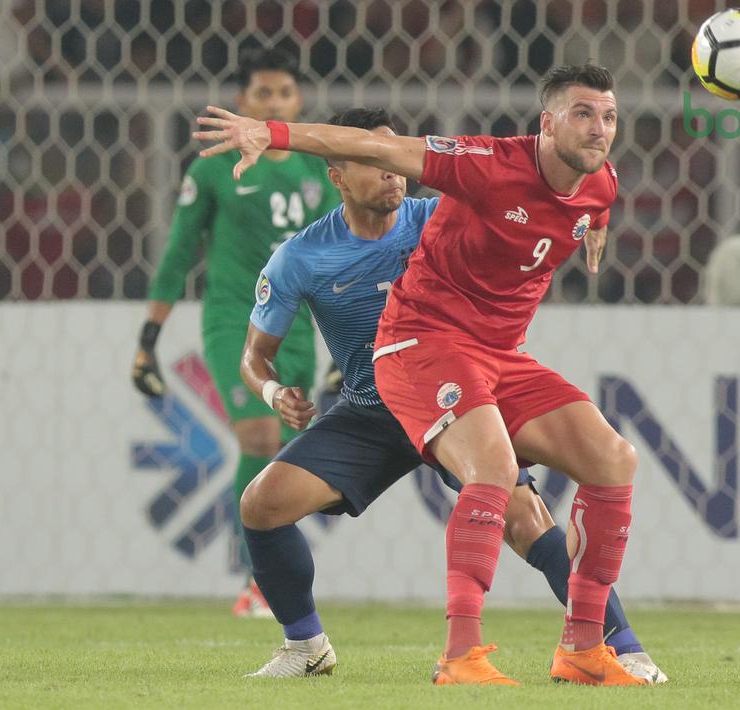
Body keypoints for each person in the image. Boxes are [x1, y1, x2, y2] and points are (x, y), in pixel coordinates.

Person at [195, 63, 648, 686]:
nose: (392, 174)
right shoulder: (301, 254)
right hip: (376, 402)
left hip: (467, 382)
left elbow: (567, 200)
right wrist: (273, 391)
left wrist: (591, 226)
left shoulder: (435, 213)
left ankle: (615, 641)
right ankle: (305, 645)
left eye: (608, 116)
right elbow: (255, 354)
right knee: (261, 505)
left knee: (532, 519)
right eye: (375, 163)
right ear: (338, 176)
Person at [133, 47, 339, 617]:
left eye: (284, 94)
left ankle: (269, 577)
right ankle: (261, 584)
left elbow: (346, 249)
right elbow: (176, 258)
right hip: (234, 320)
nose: (274, 103)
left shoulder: (316, 169)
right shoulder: (211, 170)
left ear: (297, 102)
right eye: (263, 94)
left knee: (285, 453)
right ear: (243, 102)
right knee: (257, 437)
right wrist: (148, 341)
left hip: (298, 325)